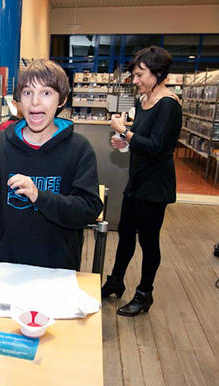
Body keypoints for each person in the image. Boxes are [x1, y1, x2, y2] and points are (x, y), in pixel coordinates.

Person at [0, 59, 103, 271]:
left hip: (57, 267)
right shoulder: (4, 142)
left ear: (61, 100)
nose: (35, 102)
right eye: (27, 93)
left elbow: (88, 210)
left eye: (46, 93)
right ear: (18, 101)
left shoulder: (78, 148)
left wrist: (39, 196)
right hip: (6, 264)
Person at [102, 46, 182, 317]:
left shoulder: (169, 104)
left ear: (158, 73)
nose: (135, 80)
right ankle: (115, 281)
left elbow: (158, 148)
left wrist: (124, 130)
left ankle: (144, 294)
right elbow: (139, 139)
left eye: (139, 75)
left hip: (155, 185)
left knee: (149, 241)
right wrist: (123, 140)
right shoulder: (143, 101)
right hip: (136, 179)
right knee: (125, 234)